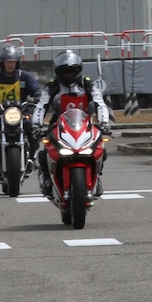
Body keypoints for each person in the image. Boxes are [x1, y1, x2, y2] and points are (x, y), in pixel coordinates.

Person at [34, 50, 112, 198]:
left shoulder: (87, 84)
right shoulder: (52, 86)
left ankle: (97, 176)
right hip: (58, 126)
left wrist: (104, 123)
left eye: (72, 71)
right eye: (65, 72)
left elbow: (99, 104)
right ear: (58, 72)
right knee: (44, 152)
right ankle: (46, 179)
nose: (69, 75)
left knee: (100, 148)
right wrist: (36, 125)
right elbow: (41, 106)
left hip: (84, 125)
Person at [0, 45, 41, 169]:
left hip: (20, 112)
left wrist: (37, 97)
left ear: (17, 63)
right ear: (2, 63)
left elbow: (35, 89)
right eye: (7, 62)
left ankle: (32, 157)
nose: (10, 65)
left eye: (12, 62)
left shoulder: (24, 76)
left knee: (32, 128)